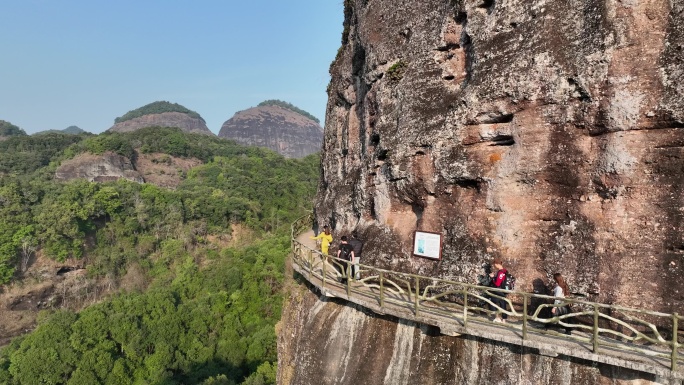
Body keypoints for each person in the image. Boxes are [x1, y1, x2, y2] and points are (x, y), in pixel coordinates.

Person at [488, 258, 508, 323]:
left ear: (497, 264)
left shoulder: (500, 272)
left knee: (492, 302)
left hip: (498, 290)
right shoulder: (505, 271)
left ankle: (497, 317)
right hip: (504, 290)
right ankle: (504, 319)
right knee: (503, 303)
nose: (494, 266)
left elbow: (497, 283)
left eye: (495, 265)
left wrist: (493, 277)